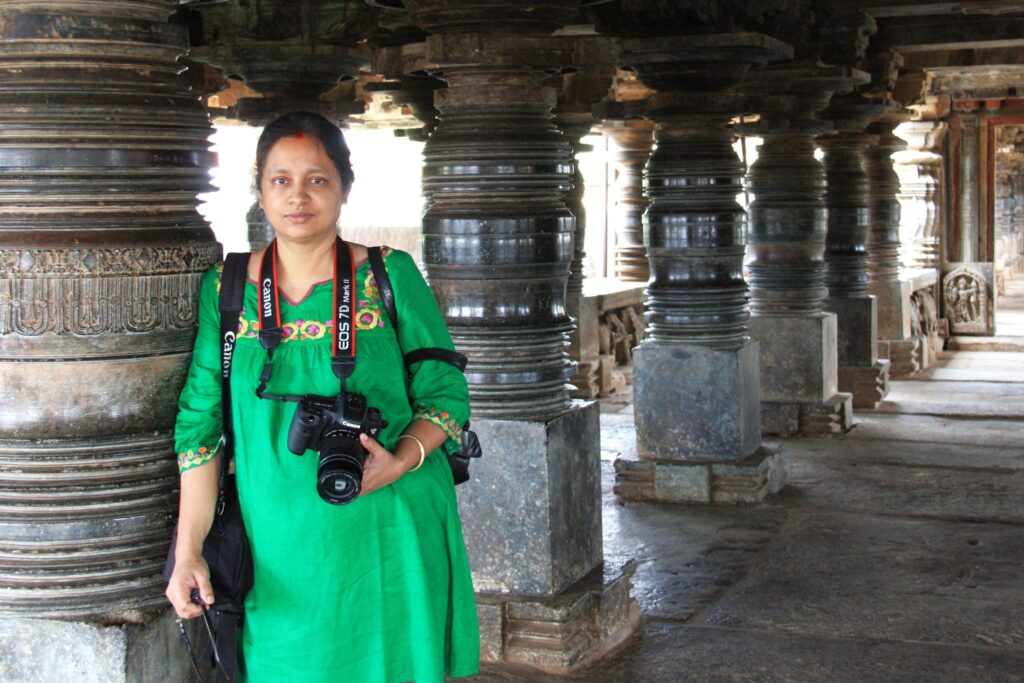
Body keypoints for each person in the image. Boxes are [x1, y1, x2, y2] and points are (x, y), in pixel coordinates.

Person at [165, 111, 480, 682]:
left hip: (390, 523)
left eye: (318, 179)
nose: (298, 196)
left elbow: (445, 392)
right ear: (259, 189)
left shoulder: (389, 274)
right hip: (279, 544)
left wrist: (401, 459)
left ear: (344, 188)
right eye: (280, 179)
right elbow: (200, 425)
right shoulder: (228, 288)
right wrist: (188, 550)